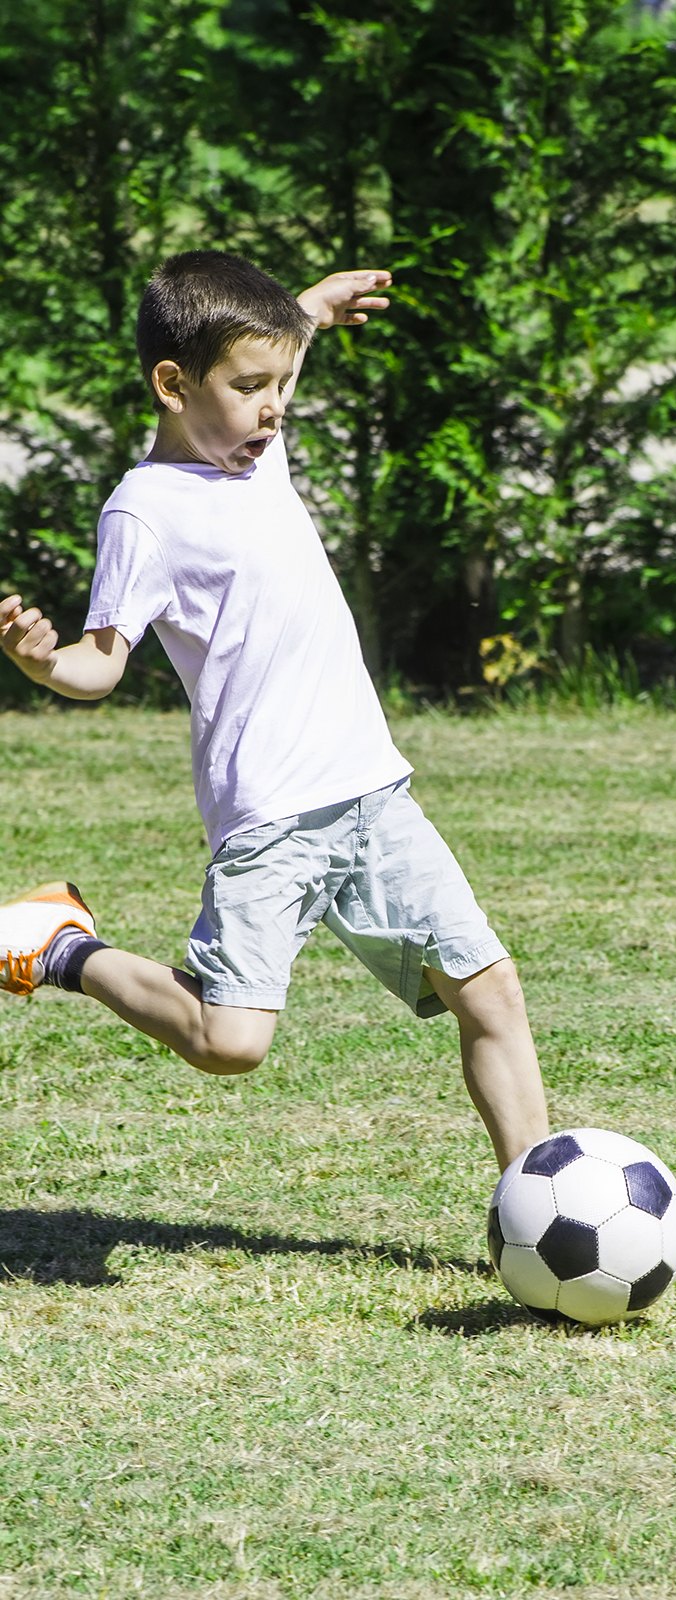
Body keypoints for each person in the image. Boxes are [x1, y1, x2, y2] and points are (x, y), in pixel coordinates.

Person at [0, 249, 548, 1178]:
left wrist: (313, 311)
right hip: (270, 817)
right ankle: (60, 946)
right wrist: (44, 663)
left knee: (491, 991)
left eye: (284, 384)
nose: (275, 406)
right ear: (172, 386)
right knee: (229, 1041)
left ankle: (535, 1195)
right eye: (252, 387)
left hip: (373, 793)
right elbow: (103, 662)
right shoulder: (144, 512)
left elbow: (260, 343)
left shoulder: (254, 444)